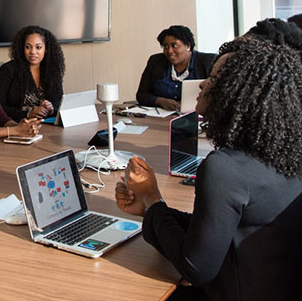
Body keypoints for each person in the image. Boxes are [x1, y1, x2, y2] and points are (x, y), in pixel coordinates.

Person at [116, 29, 302, 300]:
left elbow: (196, 269)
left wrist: (152, 197)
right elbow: (218, 229)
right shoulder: (282, 152)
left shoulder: (225, 168)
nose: (202, 84)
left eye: (213, 78)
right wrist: (150, 210)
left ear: (236, 92)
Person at [136, 25, 216, 111]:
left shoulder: (208, 62)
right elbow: (142, 95)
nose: (169, 51)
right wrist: (160, 101)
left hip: (198, 116)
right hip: (162, 116)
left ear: (188, 46)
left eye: (174, 45)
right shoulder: (156, 61)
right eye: (165, 47)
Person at [0, 25, 65, 121]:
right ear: (22, 48)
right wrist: (27, 114)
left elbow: (59, 103)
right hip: (18, 126)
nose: (33, 52)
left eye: (38, 47)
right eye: (28, 47)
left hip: (47, 125)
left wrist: (51, 108)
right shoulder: (7, 70)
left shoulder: (52, 70)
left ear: (46, 49)